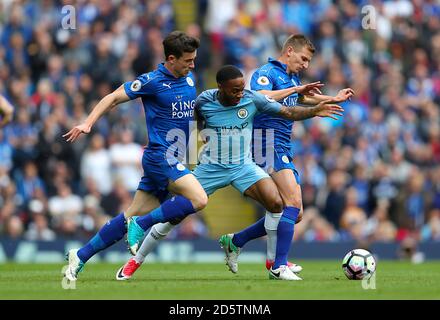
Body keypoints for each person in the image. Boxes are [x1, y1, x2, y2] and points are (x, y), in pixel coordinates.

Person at [119, 65, 343, 281]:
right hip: (211, 168)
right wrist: (200, 136)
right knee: (174, 216)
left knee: (276, 203)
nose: (240, 93)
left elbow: (287, 111)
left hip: (243, 167)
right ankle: (135, 261)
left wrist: (315, 110)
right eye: (234, 90)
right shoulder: (204, 100)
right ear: (220, 87)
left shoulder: (252, 98)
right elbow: (194, 119)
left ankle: (275, 264)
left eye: (242, 87)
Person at [62, 31, 208, 281]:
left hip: (174, 157)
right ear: (171, 59)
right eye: (187, 60)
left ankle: (80, 255)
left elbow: (190, 114)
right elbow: (113, 97)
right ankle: (142, 226)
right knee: (199, 199)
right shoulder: (151, 81)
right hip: (161, 157)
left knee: (129, 215)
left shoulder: (190, 79)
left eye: (194, 60)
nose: (192, 65)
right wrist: (88, 123)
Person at [218, 34, 354, 274]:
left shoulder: (292, 77)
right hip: (265, 142)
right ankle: (279, 265)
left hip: (282, 144)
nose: (306, 65)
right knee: (292, 203)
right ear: (289, 51)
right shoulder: (267, 72)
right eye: (303, 59)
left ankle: (236, 241)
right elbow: (260, 96)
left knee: (294, 212)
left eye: (309, 61)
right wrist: (296, 90)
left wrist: (332, 98)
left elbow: (301, 96)